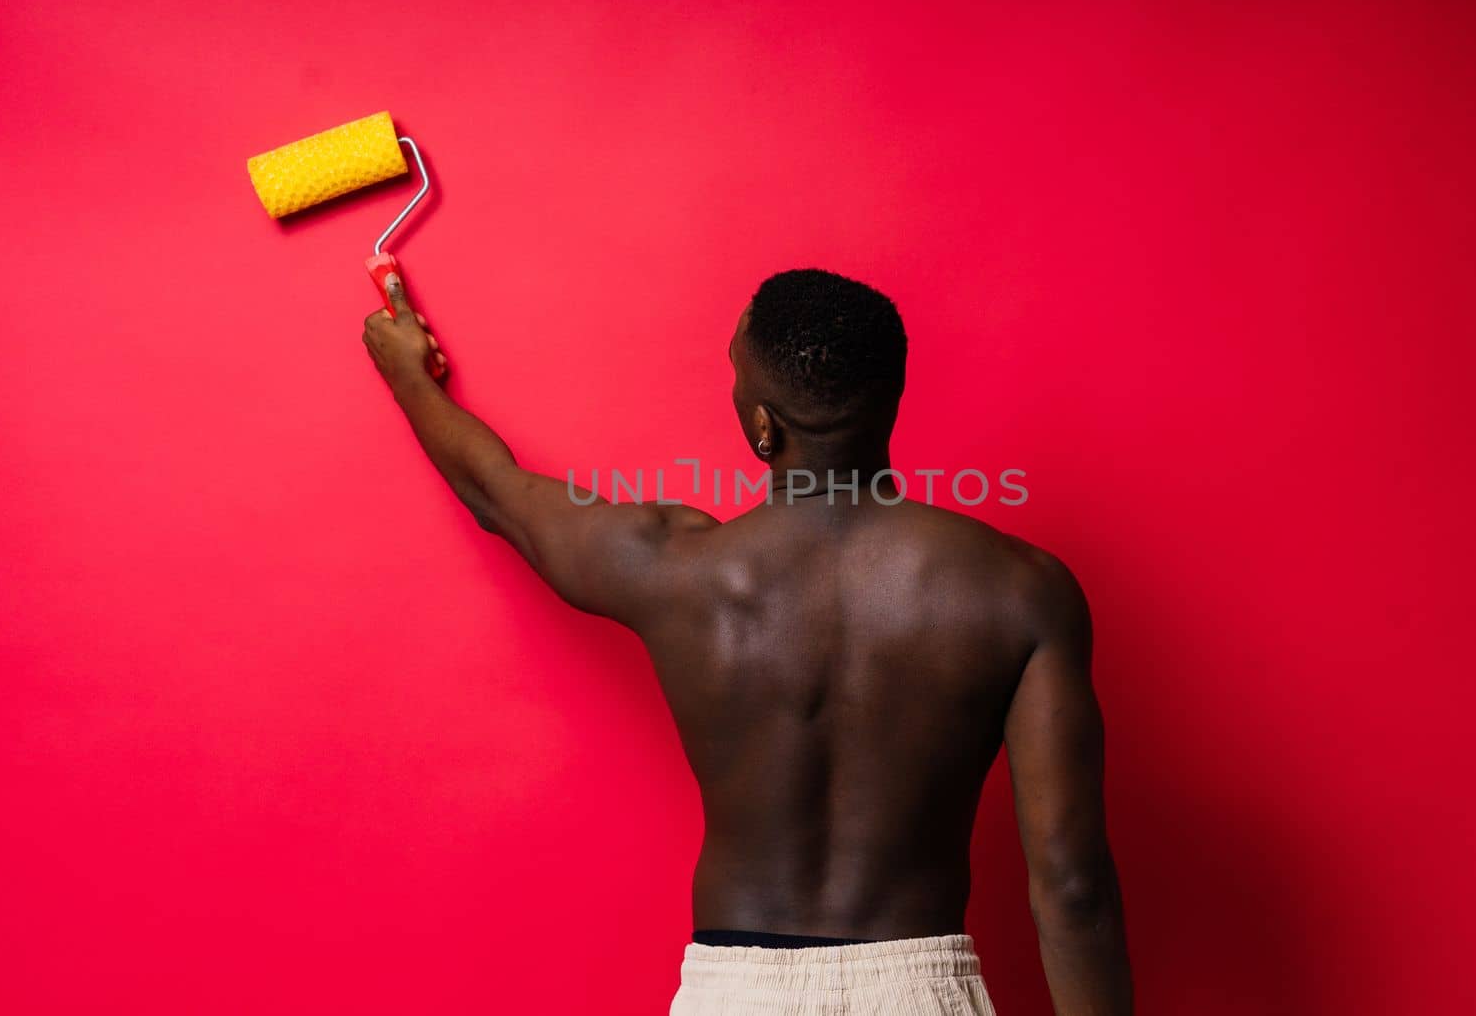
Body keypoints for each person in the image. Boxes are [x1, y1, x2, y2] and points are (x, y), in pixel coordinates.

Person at [362, 268, 1132, 1015]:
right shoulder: (1021, 588)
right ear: (890, 402)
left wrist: (408, 376)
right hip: (922, 985)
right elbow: (1071, 882)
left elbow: (499, 492)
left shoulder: (677, 568)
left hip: (736, 992)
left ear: (763, 425)